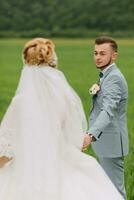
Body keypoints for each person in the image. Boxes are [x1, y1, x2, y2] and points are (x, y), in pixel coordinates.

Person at [0, 38, 123, 200]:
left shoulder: (21, 102)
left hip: (26, 170)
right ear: (52, 63)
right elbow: (73, 140)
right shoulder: (65, 98)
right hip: (61, 166)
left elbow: (7, 149)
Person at [83, 36, 129, 199]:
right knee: (106, 191)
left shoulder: (114, 78)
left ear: (114, 56)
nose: (97, 57)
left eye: (103, 53)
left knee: (115, 192)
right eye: (95, 53)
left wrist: (90, 134)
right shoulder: (106, 75)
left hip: (111, 144)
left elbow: (108, 110)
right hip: (106, 143)